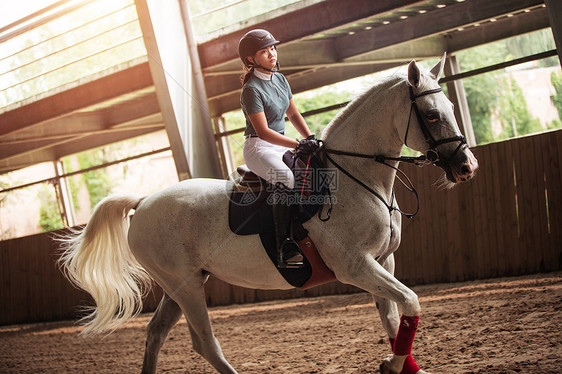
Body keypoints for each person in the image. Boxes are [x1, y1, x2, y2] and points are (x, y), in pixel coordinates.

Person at [238, 29, 320, 268]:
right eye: (264, 51)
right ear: (251, 59)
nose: (271, 54)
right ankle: (285, 244)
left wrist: (310, 138)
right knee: (285, 178)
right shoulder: (251, 89)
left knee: (315, 172)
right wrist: (298, 144)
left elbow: (293, 113)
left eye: (272, 48)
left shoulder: (281, 79)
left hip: (280, 144)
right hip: (259, 148)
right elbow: (263, 131)